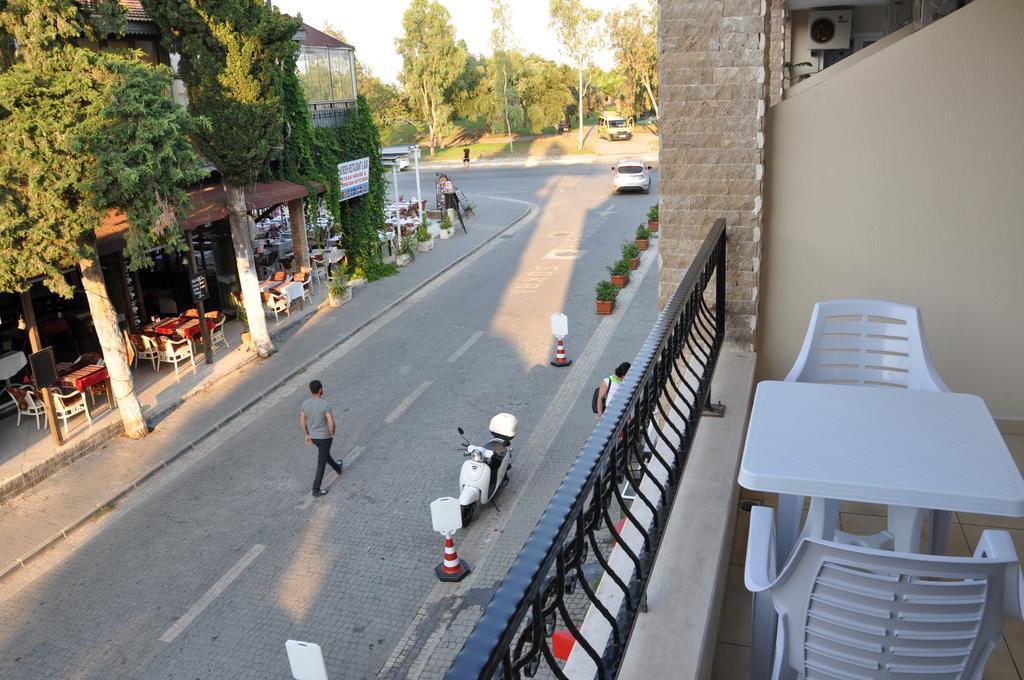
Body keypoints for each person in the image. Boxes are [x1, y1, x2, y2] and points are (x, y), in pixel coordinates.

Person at [299, 379, 342, 497]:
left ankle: (338, 468)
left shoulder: (305, 404)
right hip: (324, 437)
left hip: (314, 438)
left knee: (325, 454)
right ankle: (316, 489)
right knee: (321, 462)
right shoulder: (325, 405)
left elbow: (302, 421)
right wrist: (332, 434)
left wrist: (307, 434)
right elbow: (331, 423)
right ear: (320, 390)